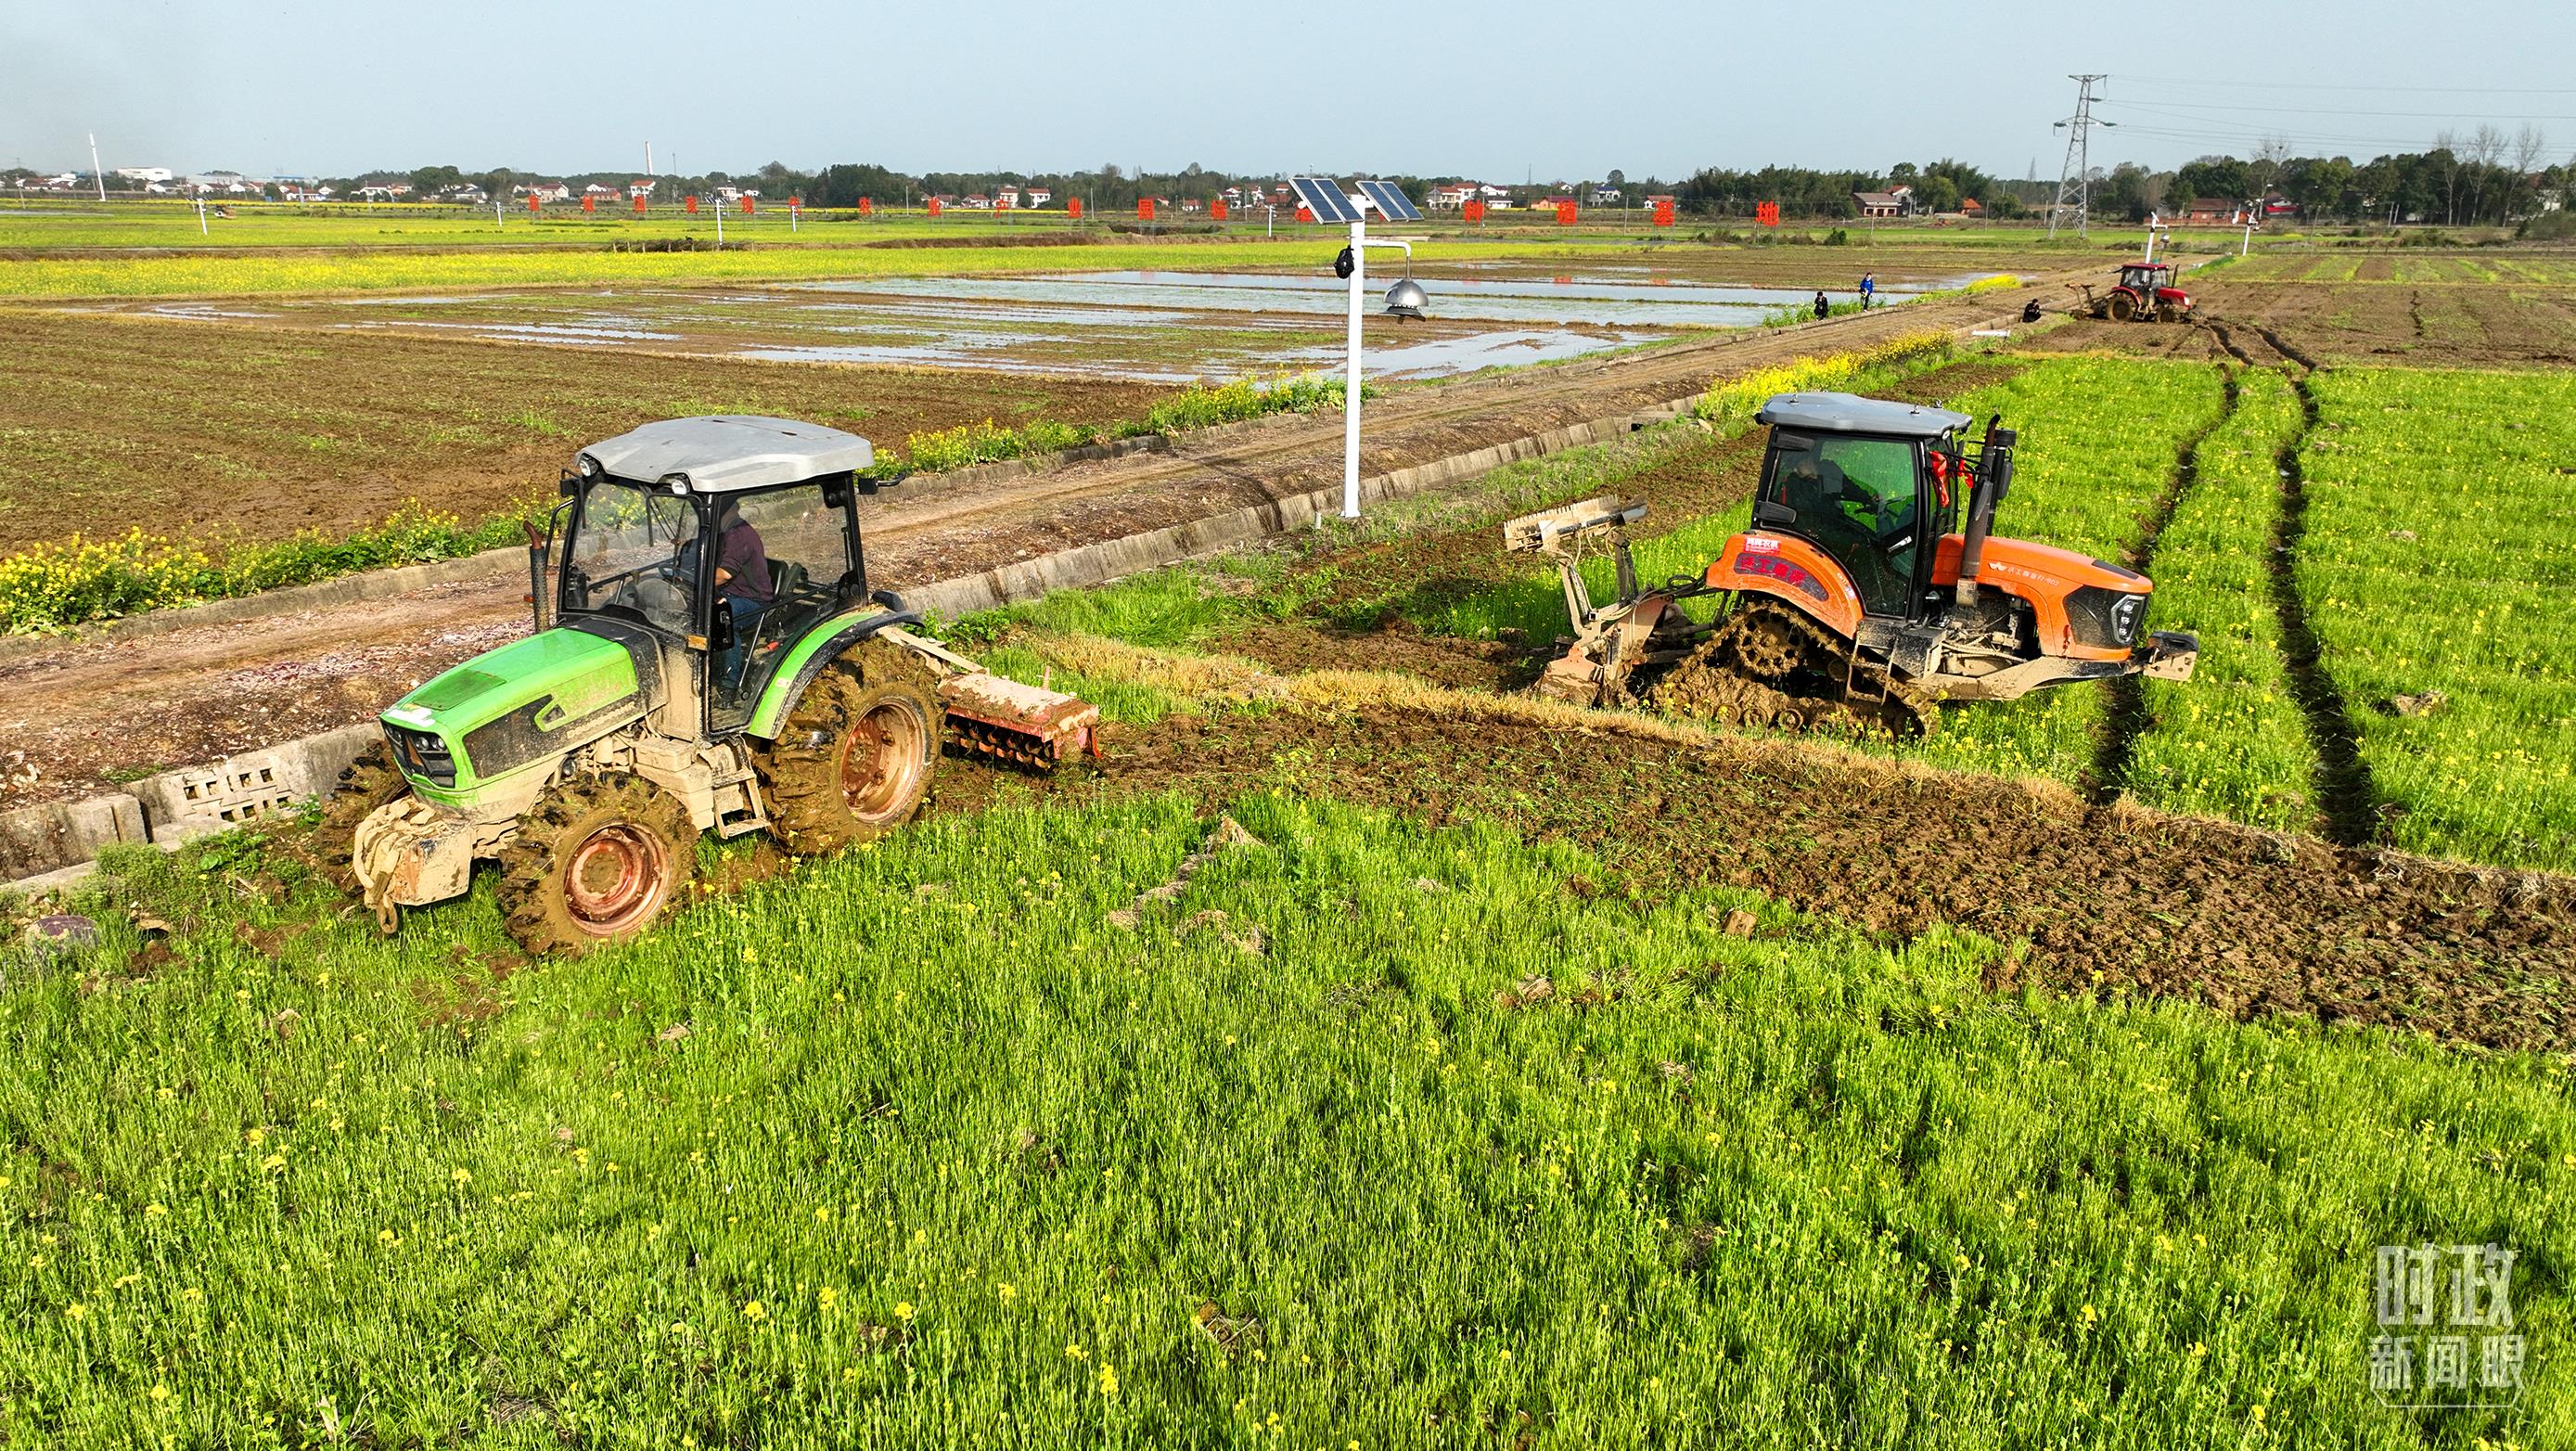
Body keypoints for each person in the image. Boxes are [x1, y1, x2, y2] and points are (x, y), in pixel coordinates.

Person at [706, 498, 773, 686]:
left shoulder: (739, 534)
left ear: (731, 510)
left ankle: (730, 683)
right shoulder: (721, 533)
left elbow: (725, 574)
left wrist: (699, 583)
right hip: (729, 592)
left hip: (752, 599)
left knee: (722, 620)